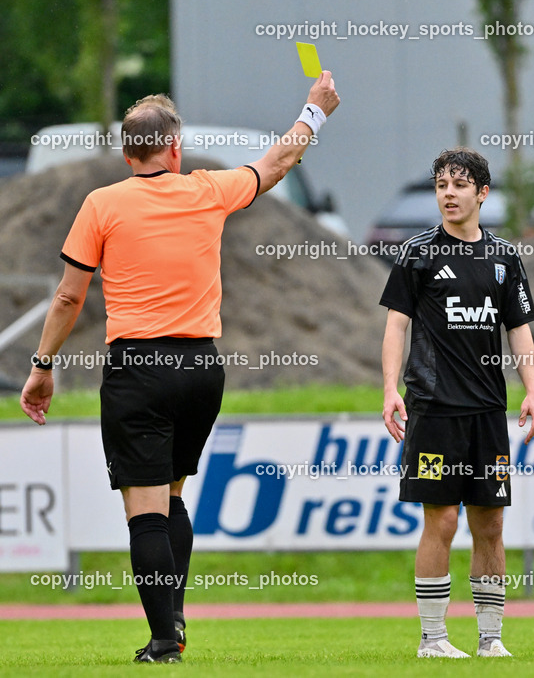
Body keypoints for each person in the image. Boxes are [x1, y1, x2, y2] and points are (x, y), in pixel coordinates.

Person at [20, 73, 340, 663]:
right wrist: (315, 110)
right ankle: (177, 613)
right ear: (175, 148)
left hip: (139, 368)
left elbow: (68, 297)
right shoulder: (208, 190)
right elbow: (278, 161)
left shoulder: (101, 203)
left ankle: (164, 638)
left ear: (125, 153)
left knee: (144, 513)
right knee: (171, 498)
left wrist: (43, 366)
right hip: (199, 368)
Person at [380, 147, 534, 659]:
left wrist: (533, 391)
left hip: (487, 412)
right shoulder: (418, 253)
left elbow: (519, 330)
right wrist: (389, 389)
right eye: (441, 185)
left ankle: (491, 638)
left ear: (482, 193)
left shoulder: (503, 257)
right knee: (442, 521)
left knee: (490, 523)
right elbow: (396, 327)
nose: (448, 193)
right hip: (432, 408)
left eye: (458, 185)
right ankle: (433, 638)